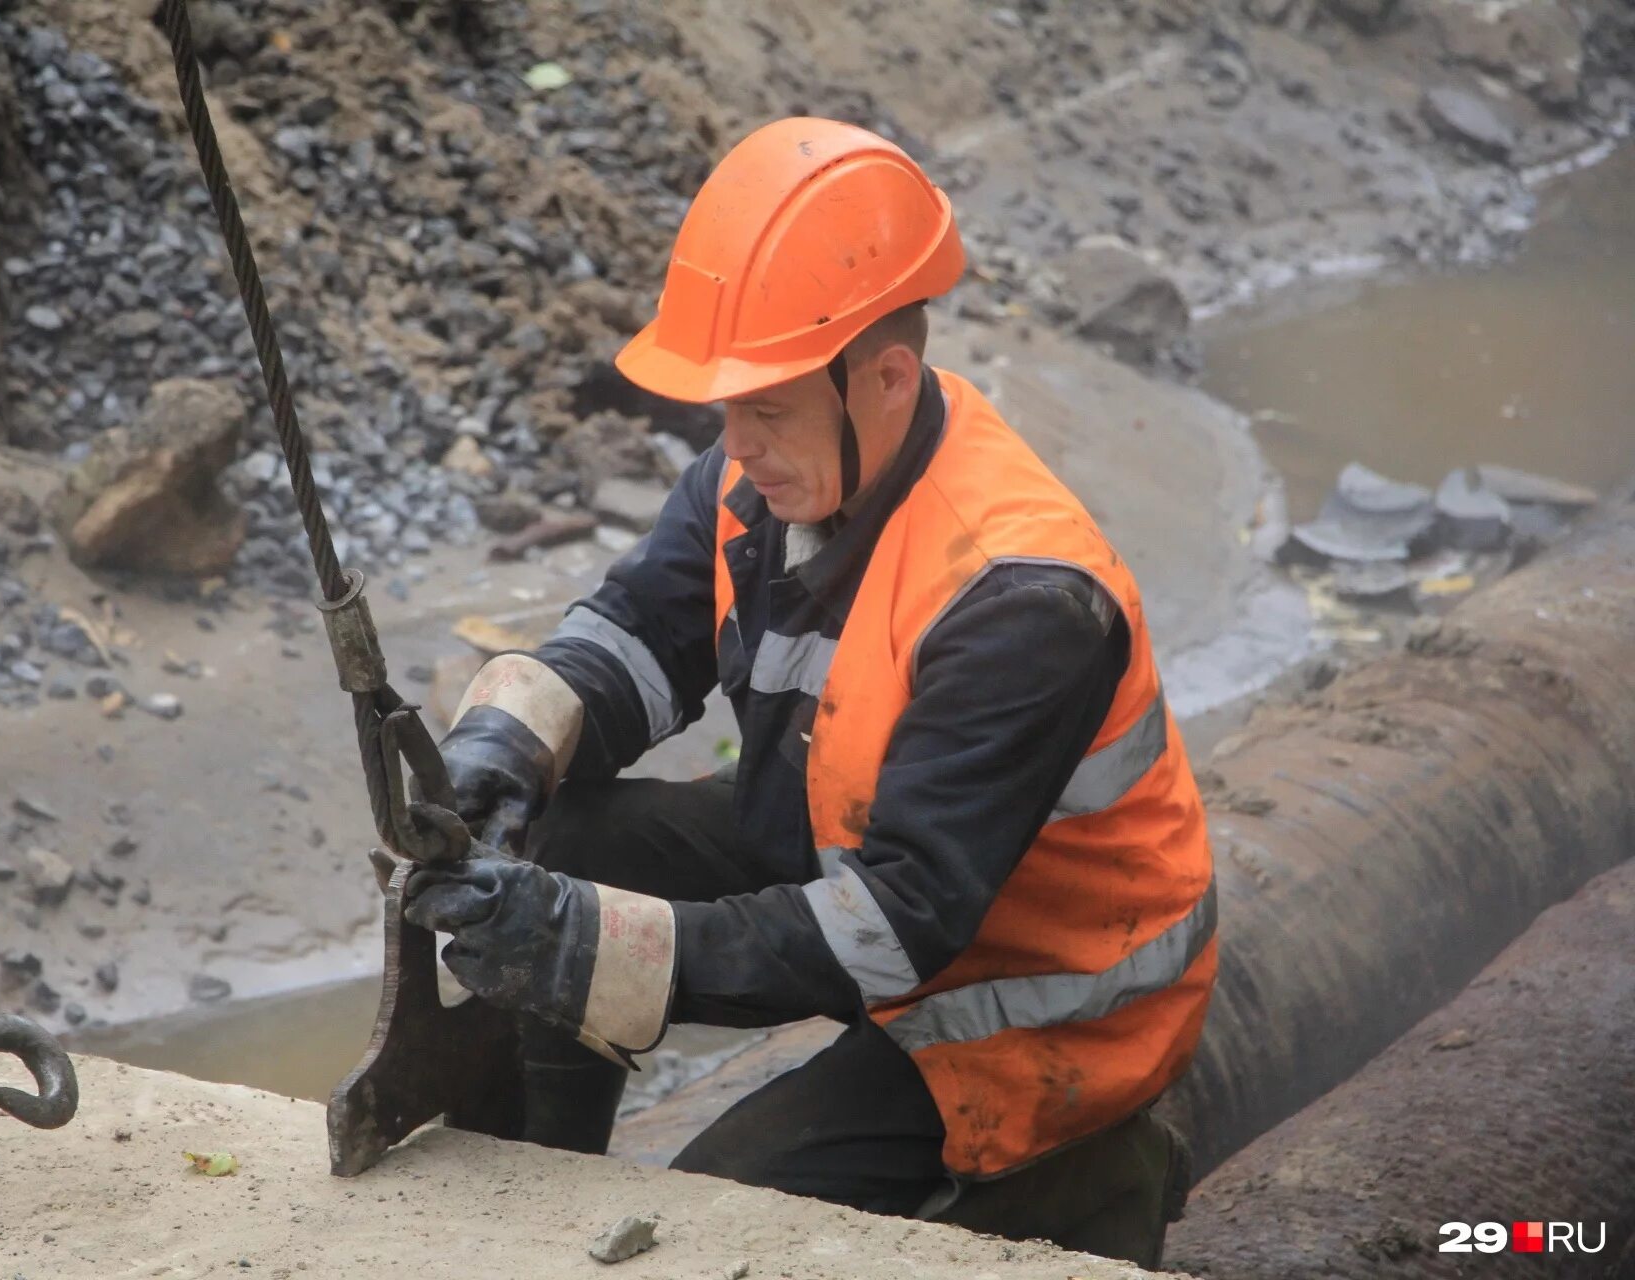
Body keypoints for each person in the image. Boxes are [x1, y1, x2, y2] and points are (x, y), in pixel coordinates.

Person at [401, 116, 1216, 1269]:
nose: (736, 444)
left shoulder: (1022, 598)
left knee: (712, 1222)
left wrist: (589, 947)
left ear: (883, 379)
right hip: (854, 858)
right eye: (727, 407)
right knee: (559, 829)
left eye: (768, 407)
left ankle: (1085, 1176)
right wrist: (506, 737)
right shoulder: (767, 475)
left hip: (1034, 1004)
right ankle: (538, 1189)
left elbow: (899, 926)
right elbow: (638, 631)